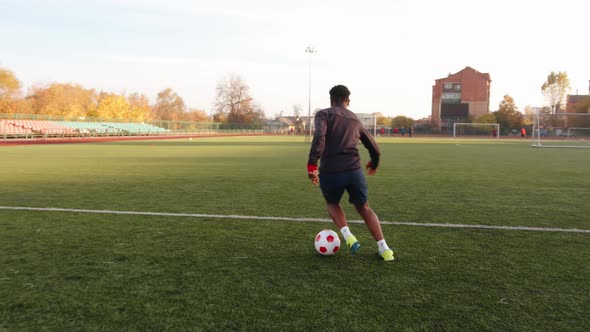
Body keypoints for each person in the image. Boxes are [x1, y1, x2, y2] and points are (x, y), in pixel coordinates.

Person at [307, 85, 394, 262]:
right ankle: (385, 249)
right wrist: (373, 163)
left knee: (332, 203)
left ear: (331, 99)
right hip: (354, 171)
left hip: (331, 171)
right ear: (348, 101)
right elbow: (374, 148)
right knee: (364, 208)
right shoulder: (355, 119)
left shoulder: (323, 114)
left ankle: (348, 236)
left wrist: (312, 165)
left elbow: (319, 136)